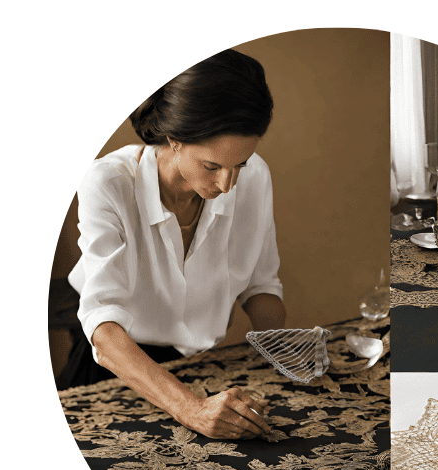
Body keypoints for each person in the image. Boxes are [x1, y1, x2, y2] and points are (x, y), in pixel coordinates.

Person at [64, 49, 285, 440]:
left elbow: (261, 285)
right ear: (175, 140)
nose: (227, 185)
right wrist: (190, 408)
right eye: (212, 167)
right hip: (119, 371)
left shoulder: (255, 178)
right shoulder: (109, 183)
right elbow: (103, 324)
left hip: (206, 371)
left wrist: (282, 355)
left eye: (242, 165)